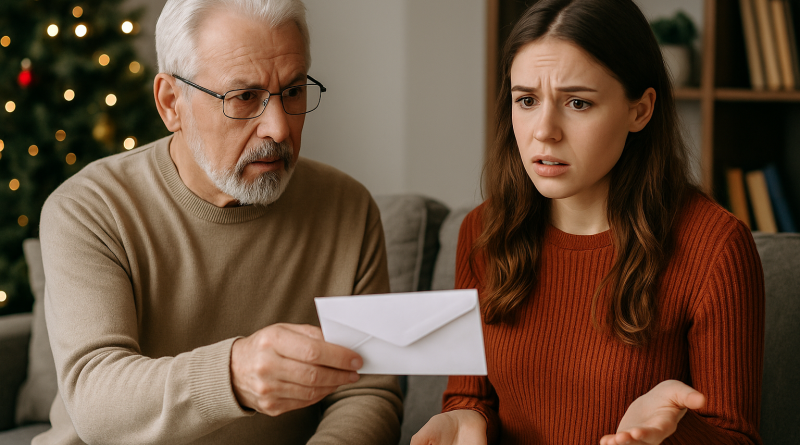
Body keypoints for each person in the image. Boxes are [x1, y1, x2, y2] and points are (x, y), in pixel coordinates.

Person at [35, 0, 402, 443]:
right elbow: (96, 402)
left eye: (293, 91)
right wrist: (234, 375)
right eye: (244, 97)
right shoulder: (91, 208)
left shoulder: (348, 207)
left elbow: (369, 388)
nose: (279, 129)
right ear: (172, 103)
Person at [412, 0, 764, 444]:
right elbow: (470, 396)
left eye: (577, 102)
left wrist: (664, 438)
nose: (544, 130)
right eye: (527, 100)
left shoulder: (716, 247)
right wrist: (464, 418)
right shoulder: (482, 232)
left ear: (640, 110)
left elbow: (736, 437)